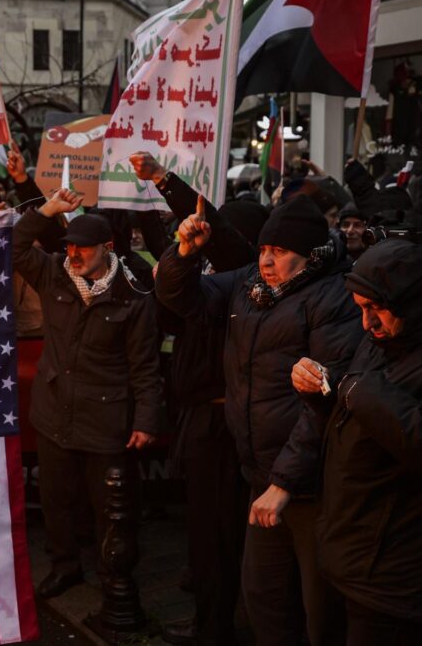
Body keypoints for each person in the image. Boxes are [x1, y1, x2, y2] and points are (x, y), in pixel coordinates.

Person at [156, 194, 363, 645]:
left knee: (320, 610)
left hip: (312, 484)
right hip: (261, 474)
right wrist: (184, 254)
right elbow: (180, 299)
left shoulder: (334, 298)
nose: (266, 261)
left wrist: (284, 482)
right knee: (264, 598)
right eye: (264, 249)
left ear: (308, 254)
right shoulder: (250, 282)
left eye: (280, 252)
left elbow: (324, 404)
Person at [130, 152, 264, 645]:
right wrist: (176, 260)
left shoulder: (244, 278)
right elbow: (168, 308)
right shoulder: (209, 284)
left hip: (224, 422)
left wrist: (165, 180)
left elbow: (224, 240)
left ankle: (217, 627)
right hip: (197, 418)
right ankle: (211, 614)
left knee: (221, 533)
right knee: (205, 530)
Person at [12, 187, 162, 598]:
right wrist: (48, 209)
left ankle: (112, 574)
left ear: (107, 249)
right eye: (69, 246)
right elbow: (14, 245)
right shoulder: (52, 272)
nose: (73, 254)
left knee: (109, 506)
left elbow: (145, 366)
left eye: (83, 248)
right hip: (54, 413)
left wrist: (146, 420)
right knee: (56, 501)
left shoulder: (133, 295)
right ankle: (65, 567)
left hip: (104, 419)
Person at [289, 239, 422, 643]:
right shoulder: (382, 339)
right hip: (351, 558)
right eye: (360, 308)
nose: (367, 323)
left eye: (375, 308)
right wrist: (320, 390)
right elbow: (356, 416)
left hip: (392, 582)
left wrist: (361, 393)